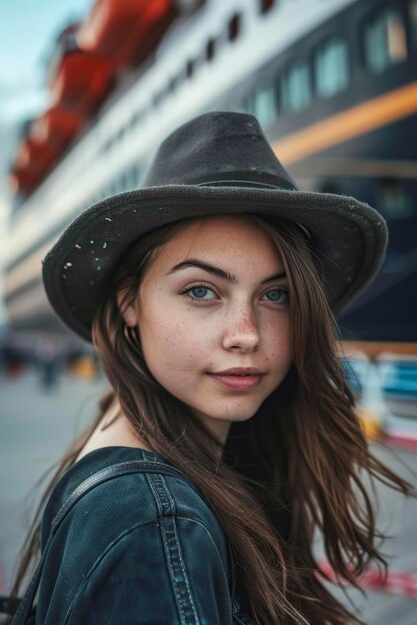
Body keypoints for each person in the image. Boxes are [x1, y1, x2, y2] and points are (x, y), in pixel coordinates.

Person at [8, 112, 415, 625]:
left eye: (276, 294)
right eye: (201, 291)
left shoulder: (152, 457)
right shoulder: (154, 523)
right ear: (130, 302)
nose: (246, 333)